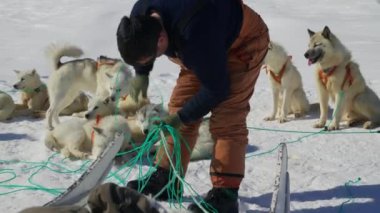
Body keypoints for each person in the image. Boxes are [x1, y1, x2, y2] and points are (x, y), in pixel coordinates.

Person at [116, 0, 269, 212]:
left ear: (161, 39)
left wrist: (180, 119)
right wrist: (141, 73)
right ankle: (167, 178)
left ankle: (225, 195)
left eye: (151, 58)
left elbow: (217, 89)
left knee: (227, 118)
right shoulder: (139, 17)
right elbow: (142, 49)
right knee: (180, 106)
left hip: (242, 43)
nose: (150, 61)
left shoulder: (194, 32)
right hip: (203, 43)